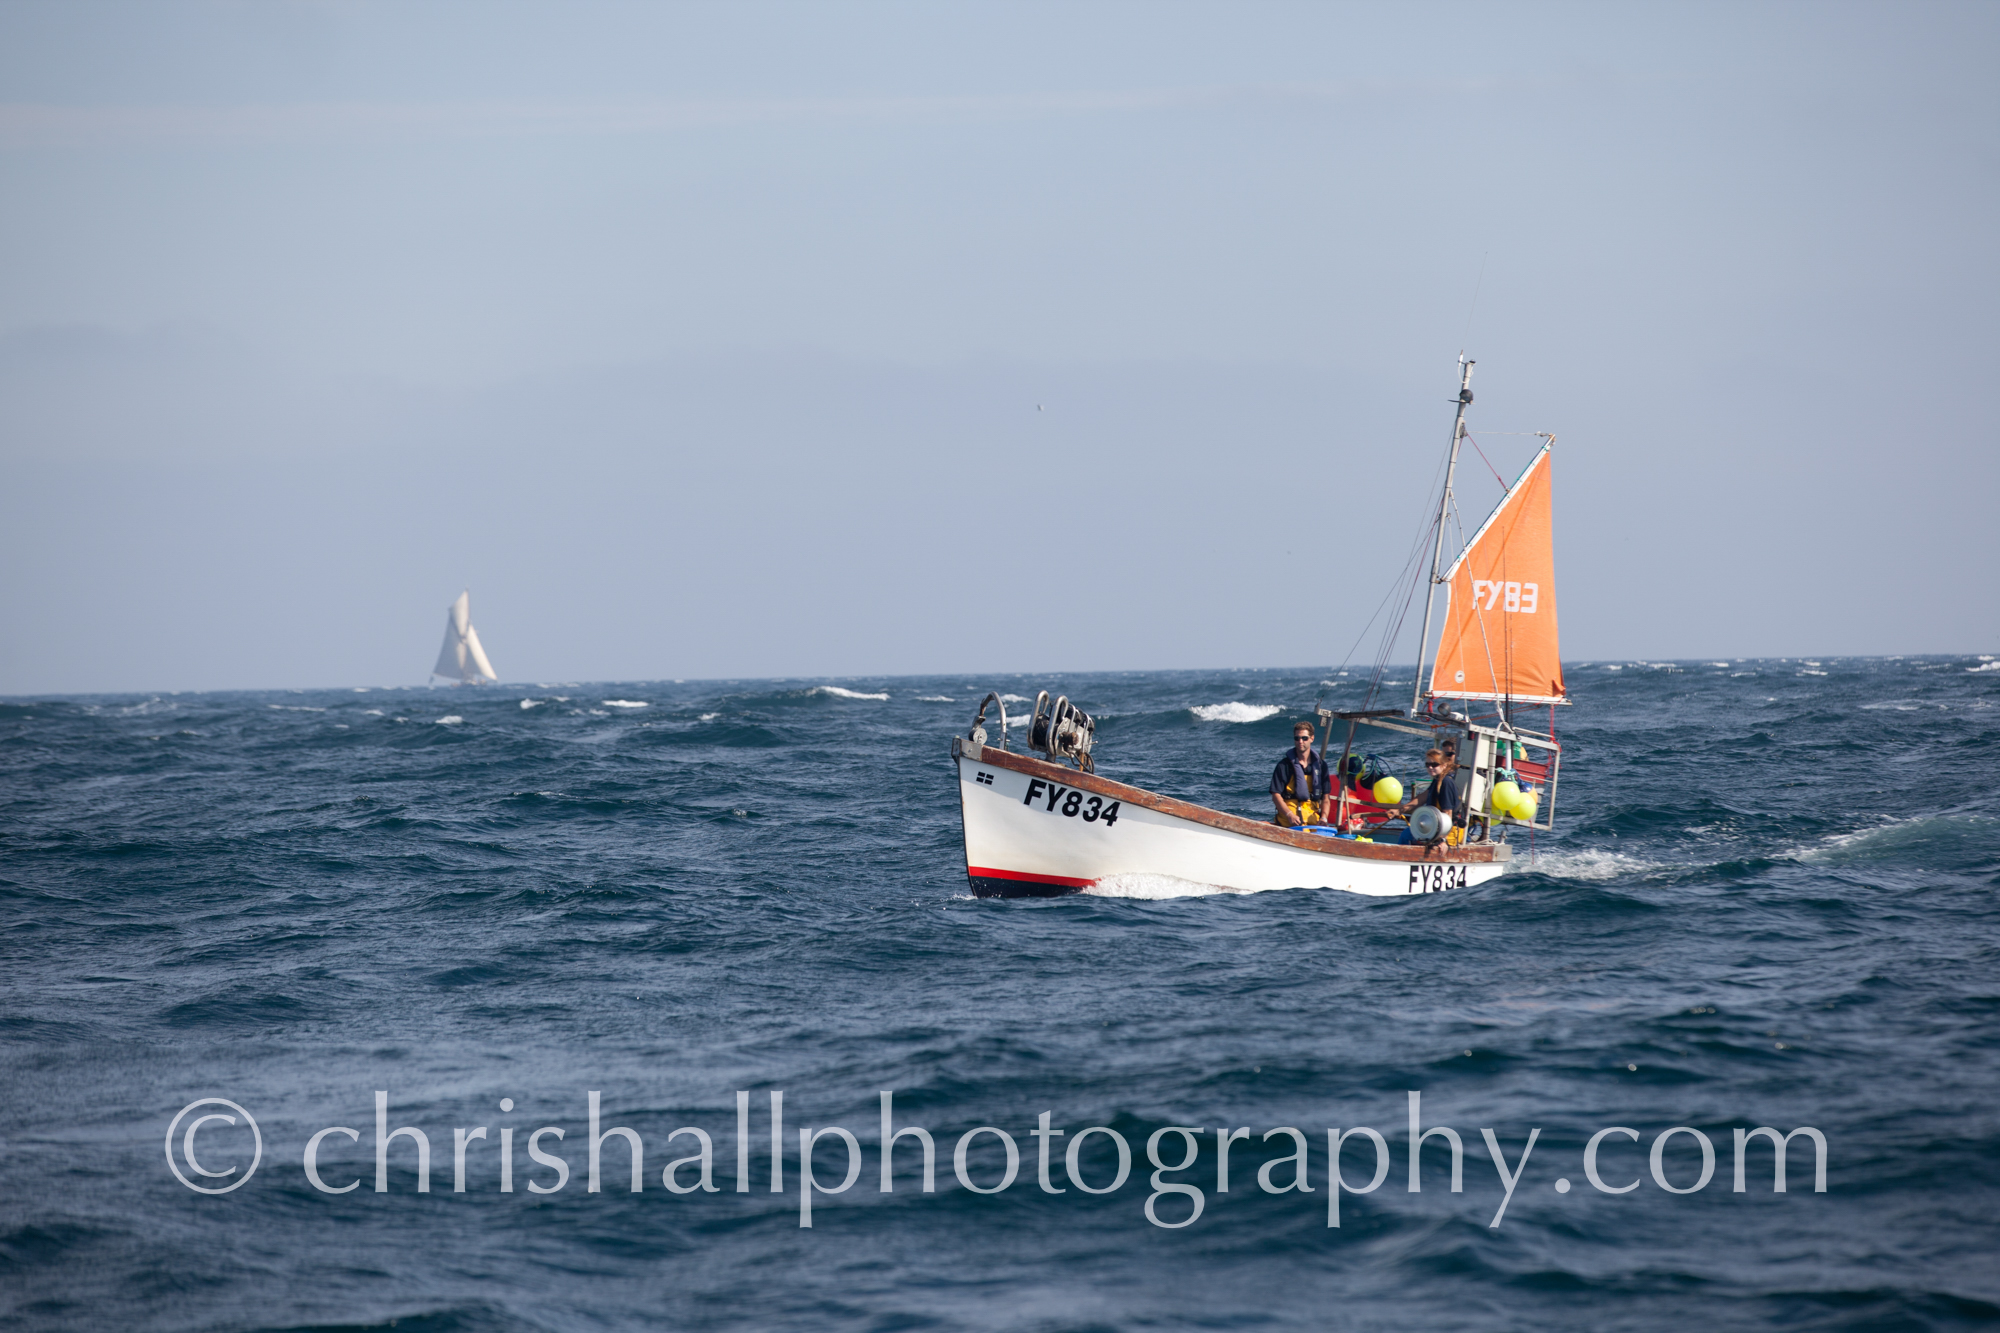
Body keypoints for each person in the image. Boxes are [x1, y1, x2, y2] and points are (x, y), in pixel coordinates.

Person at [1270, 721, 1331, 827]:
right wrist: (1289, 815)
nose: (1300, 741)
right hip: (1289, 823)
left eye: (1304, 738)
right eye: (1297, 738)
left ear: (1312, 738)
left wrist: (1324, 818)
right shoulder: (1284, 765)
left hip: (1313, 823)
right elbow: (1276, 795)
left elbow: (1326, 797)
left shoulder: (1321, 766)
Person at [1395, 748, 1463, 840]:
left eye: (1434, 764)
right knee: (1406, 834)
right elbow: (1421, 799)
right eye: (1428, 764)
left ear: (1444, 765)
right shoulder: (1437, 780)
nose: (1430, 767)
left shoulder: (1446, 783)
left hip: (1448, 833)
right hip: (1435, 828)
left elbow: (1448, 813)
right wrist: (1400, 810)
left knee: (1406, 836)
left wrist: (1443, 840)